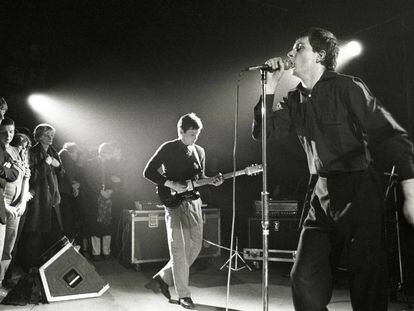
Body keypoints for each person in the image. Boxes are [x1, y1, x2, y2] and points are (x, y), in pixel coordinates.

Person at [252, 27, 414, 311]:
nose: (290, 53)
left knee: (367, 280)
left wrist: (410, 187)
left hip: (359, 189)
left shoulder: (347, 86)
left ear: (320, 55)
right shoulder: (295, 98)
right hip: (322, 192)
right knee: (303, 276)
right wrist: (268, 87)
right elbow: (263, 133)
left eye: (299, 47)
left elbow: (388, 133)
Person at [143, 113, 223, 309]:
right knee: (179, 250)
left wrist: (212, 180)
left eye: (197, 134)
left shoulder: (200, 151)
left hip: (194, 203)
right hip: (174, 204)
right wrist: (170, 183)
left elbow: (200, 177)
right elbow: (148, 171)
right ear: (181, 132)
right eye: (191, 134)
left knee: (195, 247)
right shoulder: (168, 148)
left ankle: (163, 277)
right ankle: (183, 296)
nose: (195, 138)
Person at [19, 123, 63, 270]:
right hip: (38, 198)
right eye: (47, 135)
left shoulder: (52, 150)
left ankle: (45, 266)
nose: (50, 138)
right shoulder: (32, 152)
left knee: (51, 234)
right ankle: (29, 266)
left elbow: (61, 172)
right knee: (34, 234)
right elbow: (32, 177)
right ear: (39, 136)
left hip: (52, 198)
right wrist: (46, 163)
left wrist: (58, 166)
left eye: (52, 135)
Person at [0, 119, 31, 288]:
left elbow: (26, 176)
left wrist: (23, 202)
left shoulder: (17, 151)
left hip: (17, 203)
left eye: (11, 131)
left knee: (8, 247)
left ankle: (1, 280)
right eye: (4, 132)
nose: (8, 135)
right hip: (3, 202)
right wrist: (4, 206)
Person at [83, 142, 117, 261]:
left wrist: (111, 191)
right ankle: (96, 252)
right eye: (110, 153)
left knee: (107, 224)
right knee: (95, 225)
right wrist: (100, 191)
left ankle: (106, 251)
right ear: (103, 152)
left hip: (108, 198)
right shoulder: (89, 163)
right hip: (94, 198)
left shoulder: (112, 165)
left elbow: (115, 179)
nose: (111, 156)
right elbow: (88, 181)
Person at [58, 142, 81, 240]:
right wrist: (74, 186)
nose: (77, 156)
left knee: (68, 217)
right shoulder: (65, 153)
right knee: (67, 218)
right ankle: (67, 240)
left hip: (66, 191)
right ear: (73, 151)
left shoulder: (66, 157)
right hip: (64, 192)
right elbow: (69, 173)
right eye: (76, 153)